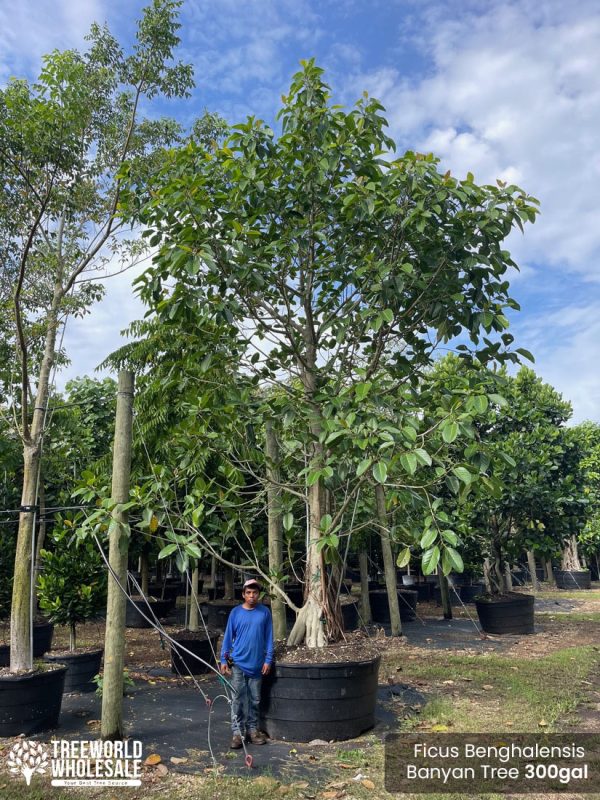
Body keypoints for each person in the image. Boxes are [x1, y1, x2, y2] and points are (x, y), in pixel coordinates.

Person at [219, 578, 274, 749]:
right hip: (238, 664)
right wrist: (223, 659)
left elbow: (269, 638)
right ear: (243, 595)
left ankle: (253, 730)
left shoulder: (264, 613)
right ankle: (237, 732)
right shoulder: (235, 613)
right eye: (248, 593)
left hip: (257, 665)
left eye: (255, 593)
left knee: (255, 699)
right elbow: (228, 637)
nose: (252, 596)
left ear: (259, 594)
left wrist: (268, 659)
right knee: (237, 699)